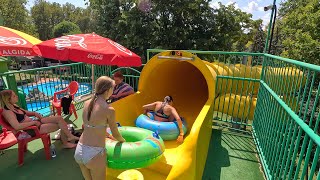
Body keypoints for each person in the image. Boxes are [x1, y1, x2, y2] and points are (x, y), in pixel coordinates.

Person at [74, 76, 126, 180]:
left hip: (79, 149)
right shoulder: (109, 109)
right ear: (107, 90)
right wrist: (124, 141)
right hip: (95, 153)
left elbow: (91, 126)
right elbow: (116, 134)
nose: (113, 90)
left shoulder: (86, 103)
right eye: (113, 88)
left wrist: (107, 135)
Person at [0, 90, 79, 148]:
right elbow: (17, 126)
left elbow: (26, 112)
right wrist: (33, 123)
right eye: (14, 96)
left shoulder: (14, 106)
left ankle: (68, 136)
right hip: (32, 129)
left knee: (59, 118)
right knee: (61, 125)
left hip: (35, 123)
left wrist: (35, 113)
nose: (16, 96)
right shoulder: (8, 112)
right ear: (8, 100)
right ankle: (66, 142)